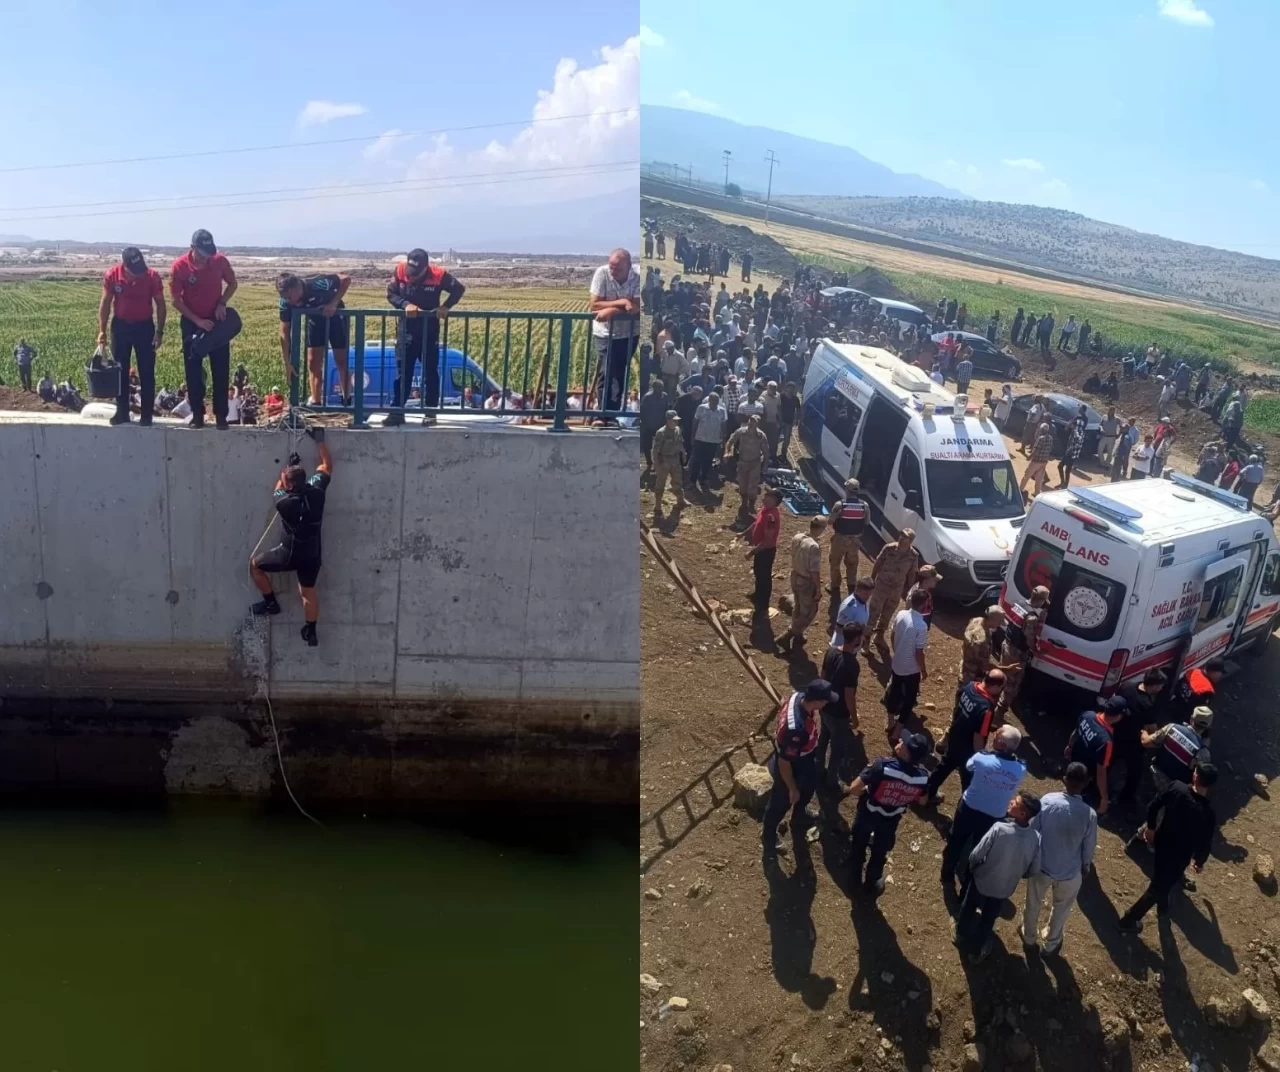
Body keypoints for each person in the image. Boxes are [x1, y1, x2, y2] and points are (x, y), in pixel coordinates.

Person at [249, 428, 334, 647]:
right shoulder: (317, 492)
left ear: (289, 486)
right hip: (312, 554)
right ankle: (311, 630)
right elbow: (326, 466)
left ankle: (270, 604)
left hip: (289, 554)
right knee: (307, 590)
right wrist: (319, 441)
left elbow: (278, 489)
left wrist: (285, 469)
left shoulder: (284, 503)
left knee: (255, 565)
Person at [1117, 764, 1218, 934]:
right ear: (1210, 785)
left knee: (1161, 879)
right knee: (1157, 889)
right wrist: (1200, 861)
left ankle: (1163, 905)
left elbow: (1153, 806)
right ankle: (1128, 920)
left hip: (1160, 844)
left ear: (1195, 777)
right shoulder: (1208, 814)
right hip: (1178, 858)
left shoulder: (1176, 787)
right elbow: (1205, 842)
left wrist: (1150, 828)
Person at [955, 791, 1041, 963]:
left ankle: (960, 935)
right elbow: (1034, 869)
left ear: (1023, 814)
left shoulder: (999, 828)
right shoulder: (1036, 838)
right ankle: (975, 951)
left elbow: (975, 856)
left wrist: (973, 869)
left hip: (982, 880)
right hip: (1005, 888)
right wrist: (1018, 874)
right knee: (988, 918)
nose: (1010, 801)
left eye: (1015, 802)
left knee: (969, 906)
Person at [1020, 763, 1097, 956]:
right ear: (1086, 783)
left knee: (1033, 902)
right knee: (1061, 909)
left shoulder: (1048, 800)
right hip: (1070, 873)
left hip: (1042, 867)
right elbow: (1088, 848)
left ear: (1064, 778)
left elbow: (1033, 830)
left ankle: (1029, 937)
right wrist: (1085, 867)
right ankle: (1051, 943)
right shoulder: (1090, 814)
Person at [940, 725, 1027, 892]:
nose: (993, 736)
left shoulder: (981, 757)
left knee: (956, 841)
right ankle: (968, 877)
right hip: (993, 815)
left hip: (969, 808)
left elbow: (969, 767)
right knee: (980, 847)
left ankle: (947, 873)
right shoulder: (1021, 768)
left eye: (996, 735)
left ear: (1001, 744)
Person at [384, 248, 466, 425]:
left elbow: (459, 289)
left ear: (425, 268)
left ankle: (430, 412)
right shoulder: (400, 270)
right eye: (410, 273)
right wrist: (405, 304)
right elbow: (391, 294)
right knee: (402, 373)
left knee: (430, 373)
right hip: (406, 331)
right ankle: (397, 412)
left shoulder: (438, 274)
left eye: (416, 274)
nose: (411, 277)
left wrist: (445, 307)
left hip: (429, 332)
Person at [844, 733, 931, 894]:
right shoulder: (923, 777)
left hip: (868, 812)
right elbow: (922, 801)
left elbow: (854, 788)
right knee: (880, 850)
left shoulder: (882, 766)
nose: (899, 741)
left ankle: (854, 878)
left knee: (859, 842)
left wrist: (866, 792)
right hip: (891, 818)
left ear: (906, 753)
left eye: (903, 743)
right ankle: (872, 883)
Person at [761, 680, 839, 859]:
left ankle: (799, 816)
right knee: (780, 803)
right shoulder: (796, 730)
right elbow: (784, 762)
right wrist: (792, 788)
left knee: (809, 787)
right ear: (818, 701)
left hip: (805, 759)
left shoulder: (798, 696)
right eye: (825, 701)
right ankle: (768, 836)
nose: (826, 704)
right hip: (793, 766)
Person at [170, 229, 238, 430]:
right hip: (192, 322)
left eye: (209, 252)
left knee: (221, 368)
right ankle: (198, 416)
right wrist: (197, 321)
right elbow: (175, 300)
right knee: (193, 371)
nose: (206, 256)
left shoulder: (219, 261)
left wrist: (222, 303)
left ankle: (221, 417)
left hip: (217, 320)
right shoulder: (179, 267)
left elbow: (233, 283)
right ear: (192, 248)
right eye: (202, 252)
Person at [98, 247, 166, 426]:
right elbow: (105, 303)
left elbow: (160, 304)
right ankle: (122, 412)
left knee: (147, 372)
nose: (138, 275)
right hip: (120, 328)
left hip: (145, 328)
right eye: (134, 271)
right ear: (125, 266)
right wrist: (102, 330)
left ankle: (146, 415)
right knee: (120, 371)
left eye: (140, 270)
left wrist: (159, 332)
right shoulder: (113, 275)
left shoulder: (151, 276)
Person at [923, 669, 1005, 806]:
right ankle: (966, 807)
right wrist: (980, 758)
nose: (1002, 691)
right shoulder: (986, 709)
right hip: (967, 750)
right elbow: (978, 738)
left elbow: (957, 709)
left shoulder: (970, 686)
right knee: (968, 781)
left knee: (943, 767)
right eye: (1002, 688)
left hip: (955, 737)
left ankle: (926, 794)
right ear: (995, 686)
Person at [276, 271, 352, 407]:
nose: (287, 301)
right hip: (316, 321)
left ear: (297, 288)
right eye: (284, 297)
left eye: (289, 297)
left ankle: (346, 400)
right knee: (313, 363)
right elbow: (284, 333)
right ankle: (316, 402)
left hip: (336, 318)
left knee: (341, 360)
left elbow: (346, 279)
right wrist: (287, 363)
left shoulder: (319, 283)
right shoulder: (285, 302)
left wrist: (333, 303)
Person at [586, 248, 641, 416]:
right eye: (612, 267)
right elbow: (594, 305)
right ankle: (603, 413)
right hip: (605, 333)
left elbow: (637, 306)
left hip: (629, 333)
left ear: (629, 267)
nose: (613, 271)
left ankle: (612, 414)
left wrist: (613, 310)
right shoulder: (602, 273)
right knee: (606, 371)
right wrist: (624, 302)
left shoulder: (639, 275)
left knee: (618, 372)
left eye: (618, 269)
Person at [817, 622, 864, 794]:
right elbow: (849, 695)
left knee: (823, 739)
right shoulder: (852, 664)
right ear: (857, 639)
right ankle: (832, 783)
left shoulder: (830, 652)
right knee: (837, 749)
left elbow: (822, 677)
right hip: (839, 714)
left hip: (825, 706)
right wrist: (855, 717)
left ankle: (818, 769)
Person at [1114, 668, 1167, 808]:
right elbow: (1153, 731)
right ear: (1155, 686)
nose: (1161, 688)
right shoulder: (1148, 706)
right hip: (1133, 741)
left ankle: (1095, 784)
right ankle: (1126, 798)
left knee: (1109, 760)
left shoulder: (1127, 686)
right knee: (1135, 772)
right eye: (1161, 686)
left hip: (1116, 731)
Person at [1065, 696, 1127, 815]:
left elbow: (1076, 732)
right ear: (1119, 716)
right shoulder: (1106, 742)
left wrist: (1070, 746)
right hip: (1085, 774)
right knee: (1079, 798)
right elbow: (1101, 773)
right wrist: (1104, 798)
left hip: (1074, 761)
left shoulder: (1087, 715)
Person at [883, 588, 930, 737]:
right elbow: (918, 652)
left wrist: (897, 650)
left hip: (897, 663)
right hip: (911, 669)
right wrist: (923, 669)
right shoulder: (921, 626)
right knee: (909, 699)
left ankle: (890, 720)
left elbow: (893, 634)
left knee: (894, 692)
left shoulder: (901, 614)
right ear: (924, 604)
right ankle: (898, 729)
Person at [777, 516, 827, 654]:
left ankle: (798, 635)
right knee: (809, 611)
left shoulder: (798, 537)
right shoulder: (814, 547)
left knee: (798, 606)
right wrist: (818, 589)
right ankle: (788, 635)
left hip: (795, 575)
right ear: (822, 529)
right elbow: (814, 571)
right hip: (806, 581)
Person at [866, 529, 918, 655]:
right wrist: (872, 579)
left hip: (896, 590)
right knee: (874, 611)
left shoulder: (913, 556)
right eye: (901, 535)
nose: (901, 538)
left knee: (888, 613)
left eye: (905, 537)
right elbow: (878, 563)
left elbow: (911, 573)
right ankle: (865, 639)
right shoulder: (889, 548)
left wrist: (909, 590)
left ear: (910, 541)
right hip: (881, 586)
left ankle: (879, 636)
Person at [1141, 706, 1213, 794]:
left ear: (1191, 719)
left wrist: (1144, 731)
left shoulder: (1171, 728)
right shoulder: (1203, 751)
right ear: (1208, 727)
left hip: (1155, 774)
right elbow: (1199, 781)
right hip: (1174, 789)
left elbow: (1146, 742)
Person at [743, 488, 783, 613]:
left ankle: (763, 604)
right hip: (760, 549)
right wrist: (743, 533)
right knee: (758, 573)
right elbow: (756, 523)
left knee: (764, 577)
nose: (764, 498)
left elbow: (768, 540)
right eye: (765, 496)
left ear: (774, 501)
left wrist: (752, 551)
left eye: (768, 497)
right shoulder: (764, 510)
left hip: (766, 551)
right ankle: (757, 595)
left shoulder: (771, 517)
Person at [828, 479, 868, 600]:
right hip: (855, 540)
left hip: (840, 539)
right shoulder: (864, 505)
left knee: (835, 562)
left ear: (846, 490)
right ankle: (851, 587)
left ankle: (835, 586)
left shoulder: (840, 505)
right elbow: (867, 522)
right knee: (852, 564)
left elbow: (830, 521)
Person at [725, 414, 770, 519]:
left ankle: (751, 504)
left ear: (758, 423)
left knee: (753, 485)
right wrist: (727, 452)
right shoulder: (741, 432)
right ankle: (743, 502)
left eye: (755, 421)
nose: (752, 423)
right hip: (742, 462)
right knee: (742, 484)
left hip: (755, 463)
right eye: (751, 420)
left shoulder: (761, 435)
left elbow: (766, 452)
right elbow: (730, 441)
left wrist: (766, 465)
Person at [958, 606, 1007, 687]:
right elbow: (985, 665)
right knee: (968, 692)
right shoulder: (981, 640)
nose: (999, 625)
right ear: (992, 620)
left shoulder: (977, 620)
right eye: (999, 622)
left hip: (966, 664)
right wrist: (1005, 669)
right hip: (972, 673)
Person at [651, 410, 687, 514]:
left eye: (676, 421)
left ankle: (680, 500)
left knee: (677, 480)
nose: (675, 423)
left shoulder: (678, 430)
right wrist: (656, 464)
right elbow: (655, 450)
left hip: (675, 459)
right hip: (664, 460)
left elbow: (680, 443)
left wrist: (683, 453)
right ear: (667, 420)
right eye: (673, 421)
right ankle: (658, 505)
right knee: (660, 483)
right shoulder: (661, 432)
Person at [690, 391, 727, 492]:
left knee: (708, 461)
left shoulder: (722, 411)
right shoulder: (701, 408)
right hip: (700, 439)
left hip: (713, 440)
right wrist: (693, 436)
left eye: (717, 400)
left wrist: (723, 440)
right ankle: (693, 481)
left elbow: (723, 425)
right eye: (713, 400)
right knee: (697, 461)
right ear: (709, 399)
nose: (715, 402)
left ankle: (703, 479)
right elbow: (695, 422)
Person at [1171, 659, 1223, 725]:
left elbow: (1178, 686)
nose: (1220, 676)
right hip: (1183, 718)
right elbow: (1201, 712)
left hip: (1173, 705)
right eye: (1220, 673)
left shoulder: (1193, 671)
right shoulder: (1207, 690)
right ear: (1214, 672)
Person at [831, 576, 874, 648]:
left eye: (870, 594)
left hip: (853, 646)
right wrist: (856, 638)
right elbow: (839, 629)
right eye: (866, 594)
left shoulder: (862, 600)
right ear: (857, 590)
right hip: (842, 647)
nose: (868, 597)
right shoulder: (849, 606)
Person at [638, 381, 668, 474]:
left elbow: (667, 409)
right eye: (657, 387)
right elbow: (642, 411)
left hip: (660, 425)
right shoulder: (647, 397)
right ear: (653, 388)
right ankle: (649, 462)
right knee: (647, 446)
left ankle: (657, 463)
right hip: (648, 425)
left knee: (660, 445)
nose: (659, 389)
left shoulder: (665, 396)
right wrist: (644, 423)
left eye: (661, 387)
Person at [1019, 421, 1054, 498]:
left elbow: (1036, 450)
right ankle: (1037, 494)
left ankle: (1020, 490)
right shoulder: (1050, 438)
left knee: (1026, 476)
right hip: (1044, 462)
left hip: (1036, 461)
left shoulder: (1041, 438)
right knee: (1039, 479)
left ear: (1042, 430)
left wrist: (1030, 456)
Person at [1057, 420, 1084, 489]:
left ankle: (1065, 485)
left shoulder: (1080, 433)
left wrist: (1075, 431)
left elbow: (1079, 439)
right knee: (1060, 467)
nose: (1072, 426)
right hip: (1068, 453)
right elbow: (1066, 430)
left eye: (1074, 425)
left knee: (1067, 470)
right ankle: (1063, 483)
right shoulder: (1073, 432)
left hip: (1072, 455)